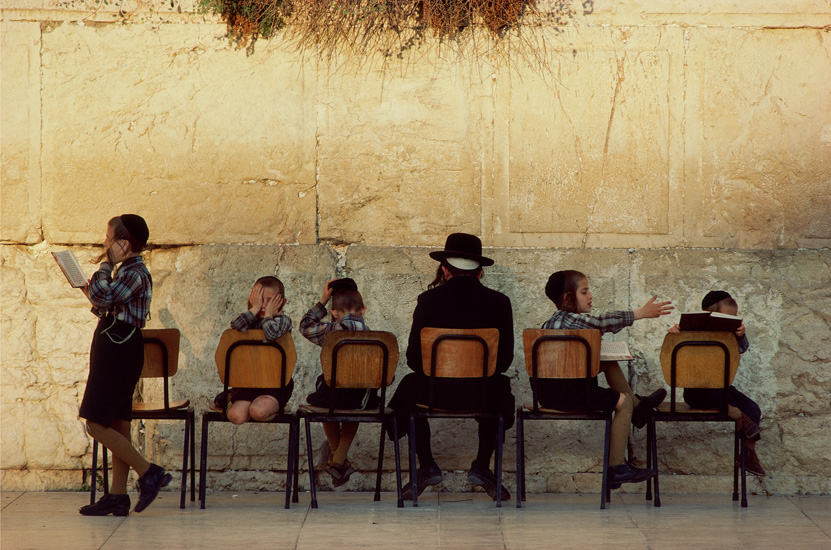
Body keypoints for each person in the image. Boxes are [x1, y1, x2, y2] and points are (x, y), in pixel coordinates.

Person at [388, 233, 515, 501]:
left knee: (409, 391)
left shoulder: (428, 301)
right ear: (480, 272)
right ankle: (481, 465)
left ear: (445, 270)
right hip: (482, 393)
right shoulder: (500, 303)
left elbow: (414, 359)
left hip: (434, 393)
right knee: (500, 388)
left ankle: (426, 466)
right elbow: (503, 362)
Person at [540, 270, 673, 488]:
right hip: (567, 395)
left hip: (550, 393)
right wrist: (640, 313)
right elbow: (601, 321)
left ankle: (639, 408)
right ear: (567, 298)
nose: (591, 296)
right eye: (584, 292)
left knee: (607, 361)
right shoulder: (572, 322)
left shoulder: (550, 323)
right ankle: (617, 467)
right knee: (623, 402)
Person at [78, 214, 170, 516]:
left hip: (119, 349)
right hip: (114, 343)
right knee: (118, 422)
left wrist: (104, 266)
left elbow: (105, 296)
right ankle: (117, 495)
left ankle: (149, 472)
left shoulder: (134, 272)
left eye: (109, 238)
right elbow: (106, 303)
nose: (105, 243)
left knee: (95, 422)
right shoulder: (126, 272)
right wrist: (89, 288)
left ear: (123, 243)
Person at [669, 290, 765, 476]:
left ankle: (747, 456)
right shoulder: (693, 331)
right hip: (697, 392)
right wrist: (674, 333)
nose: (730, 322)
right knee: (715, 392)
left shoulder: (729, 337)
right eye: (724, 318)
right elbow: (671, 350)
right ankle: (737, 415)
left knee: (753, 408)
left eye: (733, 319)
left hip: (722, 390)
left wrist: (740, 336)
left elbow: (743, 349)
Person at [300, 278, 372, 487]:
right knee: (354, 406)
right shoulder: (376, 337)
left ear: (334, 312)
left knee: (323, 402)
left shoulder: (330, 331)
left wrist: (322, 301)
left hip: (332, 397)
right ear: (364, 310)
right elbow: (387, 376)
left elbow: (305, 326)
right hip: (361, 400)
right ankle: (339, 460)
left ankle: (338, 460)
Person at [213, 276, 293, 425]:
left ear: (282, 302)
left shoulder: (284, 321)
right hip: (249, 380)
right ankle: (236, 397)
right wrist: (254, 309)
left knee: (258, 412)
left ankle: (251, 401)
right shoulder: (251, 319)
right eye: (260, 299)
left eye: (269, 300)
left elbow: (272, 335)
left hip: (276, 383)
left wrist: (268, 314)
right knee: (236, 416)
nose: (264, 305)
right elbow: (235, 326)